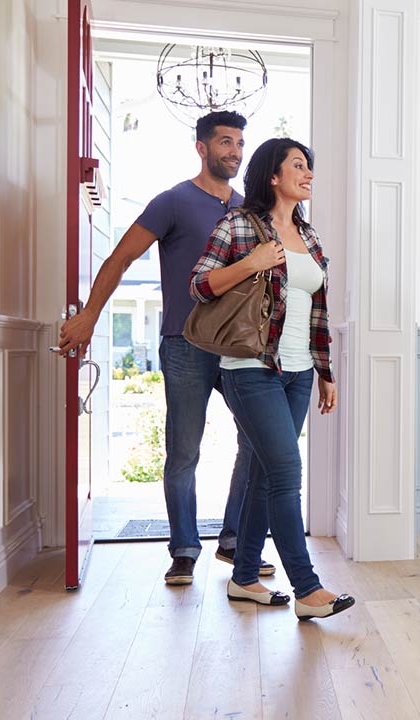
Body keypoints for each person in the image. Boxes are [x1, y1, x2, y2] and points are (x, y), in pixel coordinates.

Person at [55, 111, 276, 585]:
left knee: (257, 443)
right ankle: (184, 549)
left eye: (239, 143)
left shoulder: (248, 210)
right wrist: (90, 314)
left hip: (240, 349)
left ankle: (235, 540)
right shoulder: (173, 202)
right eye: (225, 142)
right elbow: (120, 258)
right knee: (183, 452)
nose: (234, 152)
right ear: (202, 147)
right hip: (185, 344)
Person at [189, 137, 355, 621]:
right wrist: (251, 262)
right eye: (299, 166)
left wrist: (325, 373)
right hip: (251, 369)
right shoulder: (239, 225)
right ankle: (307, 589)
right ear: (273, 176)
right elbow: (199, 284)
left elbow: (318, 311)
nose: (308, 175)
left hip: (300, 372)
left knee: (264, 474)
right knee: (285, 473)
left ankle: (243, 579)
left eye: (310, 167)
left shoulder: (311, 236)